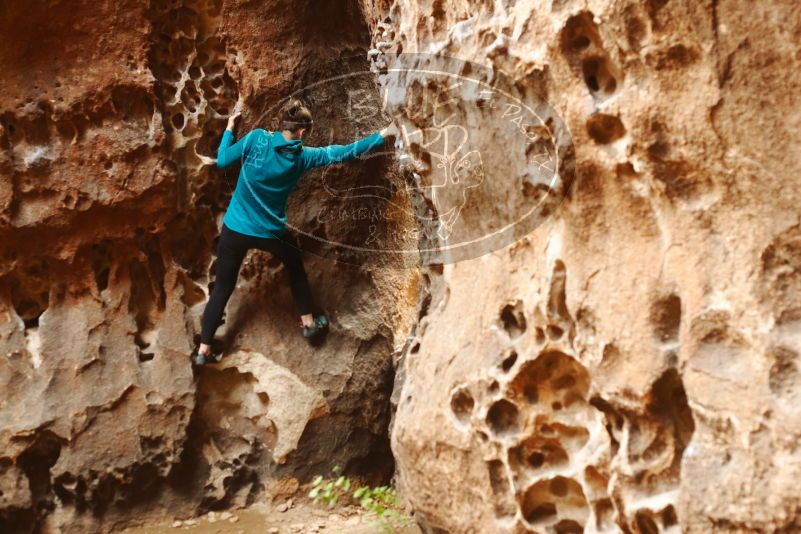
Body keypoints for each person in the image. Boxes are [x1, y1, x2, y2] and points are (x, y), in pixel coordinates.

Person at [192, 98, 397, 365]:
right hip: (271, 233)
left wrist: (231, 127)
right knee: (296, 269)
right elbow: (345, 152)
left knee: (222, 287)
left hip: (235, 228)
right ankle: (309, 323)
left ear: (281, 123)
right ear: (301, 131)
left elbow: (221, 160)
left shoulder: (256, 140)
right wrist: (384, 134)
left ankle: (203, 351)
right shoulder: (302, 157)